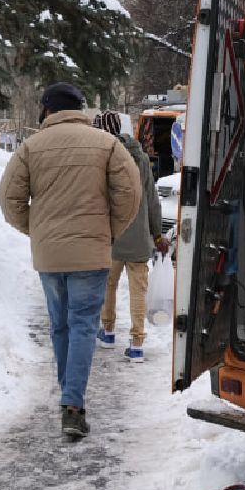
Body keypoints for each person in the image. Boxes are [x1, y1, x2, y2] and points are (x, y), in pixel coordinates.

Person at [0, 82, 140, 439]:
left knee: (60, 325)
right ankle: (73, 406)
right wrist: (109, 232)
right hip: (91, 253)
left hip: (49, 255)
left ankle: (69, 399)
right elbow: (130, 192)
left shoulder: (30, 148)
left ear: (47, 110)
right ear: (79, 108)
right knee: (81, 326)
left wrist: (37, 231)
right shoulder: (107, 144)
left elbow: (7, 198)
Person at [92, 112, 168, 363]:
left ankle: (109, 331)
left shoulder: (100, 159)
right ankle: (137, 344)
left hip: (111, 235)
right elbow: (152, 200)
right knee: (138, 290)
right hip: (138, 238)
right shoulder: (141, 158)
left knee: (108, 285)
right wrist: (157, 234)